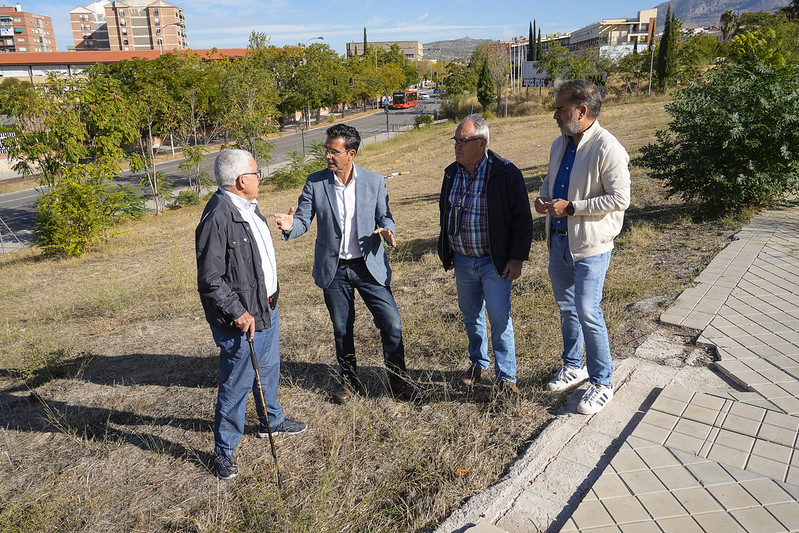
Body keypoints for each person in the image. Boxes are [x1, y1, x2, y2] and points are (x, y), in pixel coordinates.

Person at [274, 124, 416, 403]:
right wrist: (291, 225)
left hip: (368, 265)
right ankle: (349, 381)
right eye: (326, 150)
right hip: (334, 268)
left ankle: (399, 382)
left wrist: (388, 231)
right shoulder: (315, 182)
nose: (327, 156)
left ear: (350, 153)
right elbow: (303, 219)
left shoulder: (373, 181)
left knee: (392, 324)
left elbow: (385, 216)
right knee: (342, 328)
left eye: (333, 151)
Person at [196, 148, 307, 480]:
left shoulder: (247, 208)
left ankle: (271, 420)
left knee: (269, 368)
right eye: (257, 173)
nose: (261, 178)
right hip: (243, 317)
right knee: (237, 383)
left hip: (266, 307)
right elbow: (210, 279)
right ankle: (224, 451)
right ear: (243, 180)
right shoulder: (218, 216)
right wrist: (238, 312)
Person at [535, 79, 631, 415]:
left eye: (561, 108)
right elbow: (550, 181)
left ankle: (603, 382)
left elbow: (620, 198)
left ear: (582, 110)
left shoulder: (608, 148)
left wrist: (572, 208)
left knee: (588, 311)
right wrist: (544, 199)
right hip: (559, 242)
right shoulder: (559, 144)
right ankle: (575, 365)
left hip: (591, 246)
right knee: (567, 308)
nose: (555, 115)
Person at [438, 114, 533, 394]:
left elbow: (522, 220)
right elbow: (444, 215)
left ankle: (507, 377)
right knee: (471, 316)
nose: (457, 146)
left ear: (482, 143)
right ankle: (478, 363)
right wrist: (448, 250)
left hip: (495, 262)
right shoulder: (451, 173)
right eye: (455, 140)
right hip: (464, 260)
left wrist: (516, 258)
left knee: (499, 317)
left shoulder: (505, 172)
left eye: (463, 141)